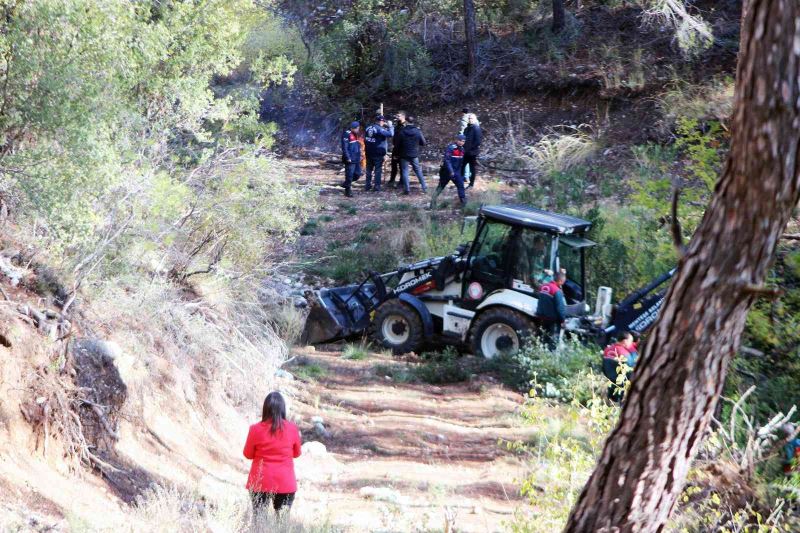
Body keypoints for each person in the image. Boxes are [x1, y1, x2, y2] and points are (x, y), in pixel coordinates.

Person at [243, 392, 302, 518]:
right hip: (285, 482)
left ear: (265, 409)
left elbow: (248, 454)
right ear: (283, 409)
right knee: (281, 523)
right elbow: (297, 453)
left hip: (260, 481)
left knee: (259, 521)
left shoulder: (255, 429)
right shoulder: (292, 429)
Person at [431, 133, 467, 208]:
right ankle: (433, 202)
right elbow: (447, 160)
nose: (461, 142)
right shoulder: (451, 148)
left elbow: (461, 164)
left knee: (461, 186)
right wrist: (451, 171)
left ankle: (464, 204)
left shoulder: (463, 150)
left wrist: (460, 174)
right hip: (446, 172)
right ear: (457, 140)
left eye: (463, 141)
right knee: (441, 187)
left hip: (456, 172)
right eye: (460, 140)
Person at [602, 332, 639, 402]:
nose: (631, 344)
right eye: (630, 341)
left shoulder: (607, 349)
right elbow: (632, 367)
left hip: (611, 381)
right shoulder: (623, 352)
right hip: (622, 384)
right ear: (625, 341)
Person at [396, 116, 428, 195]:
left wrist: (397, 153)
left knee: (405, 171)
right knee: (417, 170)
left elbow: (397, 144)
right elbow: (423, 143)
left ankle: (407, 189)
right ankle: (424, 187)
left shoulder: (402, 131)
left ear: (406, 122)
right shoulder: (417, 131)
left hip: (404, 154)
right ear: (413, 122)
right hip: (414, 154)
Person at [537, 270, 568, 349]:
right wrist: (563, 320)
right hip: (552, 319)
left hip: (541, 317)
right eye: (563, 282)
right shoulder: (557, 291)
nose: (563, 284)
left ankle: (542, 352)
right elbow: (560, 308)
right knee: (553, 340)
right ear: (560, 281)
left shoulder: (542, 286)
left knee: (543, 337)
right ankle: (551, 355)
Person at [364, 114, 394, 192]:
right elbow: (391, 134)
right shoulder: (379, 129)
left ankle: (367, 186)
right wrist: (390, 126)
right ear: (380, 121)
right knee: (378, 170)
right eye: (383, 121)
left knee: (368, 170)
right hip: (377, 153)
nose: (384, 123)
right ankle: (377, 187)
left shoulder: (368, 128)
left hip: (368, 152)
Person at [340, 121, 362, 197]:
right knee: (349, 175)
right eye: (357, 128)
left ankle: (346, 184)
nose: (358, 130)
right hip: (350, 159)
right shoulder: (347, 134)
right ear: (353, 128)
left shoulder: (356, 134)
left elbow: (356, 145)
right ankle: (348, 191)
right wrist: (347, 157)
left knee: (358, 174)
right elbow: (344, 147)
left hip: (356, 158)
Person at [387, 111, 406, 189]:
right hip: (395, 148)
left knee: (402, 167)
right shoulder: (397, 125)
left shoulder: (405, 126)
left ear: (403, 117)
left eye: (399, 116)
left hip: (402, 149)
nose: (397, 117)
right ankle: (392, 180)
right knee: (394, 166)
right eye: (397, 116)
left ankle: (402, 181)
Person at [462, 113, 482, 189]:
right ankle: (460, 182)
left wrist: (470, 149)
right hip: (465, 152)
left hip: (472, 153)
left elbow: (478, 141)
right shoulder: (466, 129)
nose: (470, 120)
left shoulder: (477, 128)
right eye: (469, 118)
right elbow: (463, 140)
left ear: (475, 119)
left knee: (472, 169)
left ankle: (471, 184)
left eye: (472, 118)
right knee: (462, 167)